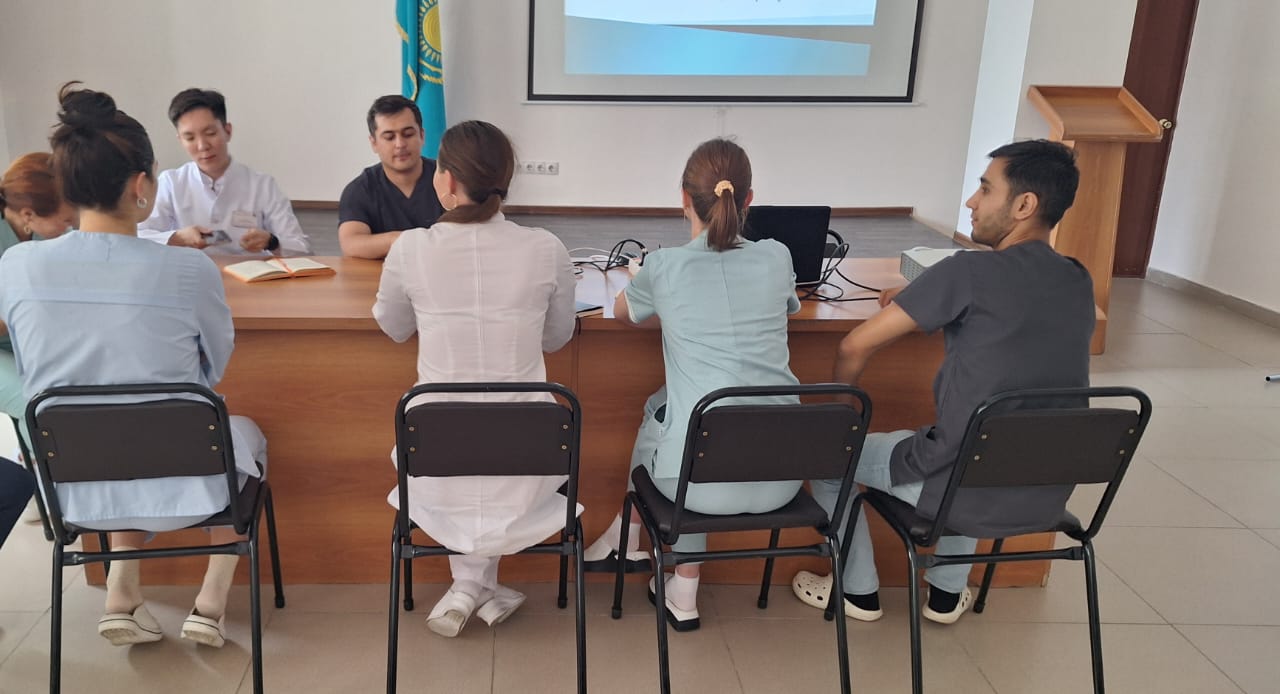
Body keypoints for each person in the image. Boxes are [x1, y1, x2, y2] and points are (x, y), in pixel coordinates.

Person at [0, 82, 269, 649]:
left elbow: (30, 365)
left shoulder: (16, 266)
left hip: (72, 492)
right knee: (243, 435)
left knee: (112, 428)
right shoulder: (189, 271)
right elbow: (215, 367)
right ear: (142, 185)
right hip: (190, 482)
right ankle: (210, 604)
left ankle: (122, 593)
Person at [792, 139, 1093, 626]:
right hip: (1045, 488)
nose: (971, 201)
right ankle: (947, 595)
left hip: (958, 484)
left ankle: (856, 591)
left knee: (829, 457)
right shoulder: (1077, 278)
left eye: (985, 189)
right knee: (988, 441)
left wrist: (841, 424)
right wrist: (922, 293)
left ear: (1024, 205)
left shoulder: (968, 271)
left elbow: (853, 347)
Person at [581, 138, 804, 631]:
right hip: (784, 478)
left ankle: (656, 563)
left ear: (683, 198)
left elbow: (619, 312)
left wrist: (644, 280)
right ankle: (635, 548)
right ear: (749, 200)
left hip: (697, 488)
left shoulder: (665, 267)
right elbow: (790, 306)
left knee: (674, 423)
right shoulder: (777, 256)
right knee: (672, 409)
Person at [373, 120, 576, 637]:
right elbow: (557, 338)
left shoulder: (411, 248)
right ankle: (475, 587)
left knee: (462, 436)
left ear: (445, 180)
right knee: (492, 434)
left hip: (436, 462)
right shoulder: (546, 247)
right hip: (527, 461)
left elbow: (394, 328)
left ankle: (470, 587)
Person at [0, 152, 78, 532]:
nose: (71, 226)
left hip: (28, 343)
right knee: (42, 405)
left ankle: (42, 475)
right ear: (28, 214)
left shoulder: (36, 235)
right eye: (65, 220)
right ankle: (59, 492)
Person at [137, 88, 311, 255]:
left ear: (227, 131)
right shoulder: (171, 183)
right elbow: (138, 236)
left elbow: (301, 247)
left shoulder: (262, 185)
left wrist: (272, 242)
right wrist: (177, 238)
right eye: (190, 138)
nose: (202, 146)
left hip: (249, 273)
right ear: (180, 140)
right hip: (189, 272)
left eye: (210, 133)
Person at [339, 95, 445, 259]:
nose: (400, 144)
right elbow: (351, 243)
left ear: (422, 136)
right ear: (374, 143)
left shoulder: (449, 179)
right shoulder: (360, 190)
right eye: (389, 137)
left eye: (408, 134)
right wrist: (409, 240)